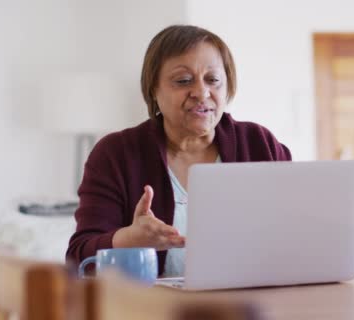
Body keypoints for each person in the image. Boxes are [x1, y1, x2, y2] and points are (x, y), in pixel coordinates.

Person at [66, 25, 291, 277]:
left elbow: (295, 232)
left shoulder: (260, 143)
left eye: (213, 80)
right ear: (153, 89)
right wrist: (129, 239)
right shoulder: (115, 154)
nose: (201, 92)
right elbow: (78, 259)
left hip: (249, 303)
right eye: (183, 81)